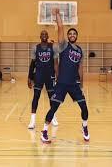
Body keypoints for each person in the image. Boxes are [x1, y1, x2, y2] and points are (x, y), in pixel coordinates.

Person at [40, 8, 90, 143]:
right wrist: (57, 14)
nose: (72, 35)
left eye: (74, 33)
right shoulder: (63, 46)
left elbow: (80, 67)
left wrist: (82, 84)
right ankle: (44, 131)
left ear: (77, 36)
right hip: (61, 83)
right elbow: (61, 27)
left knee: (84, 108)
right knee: (54, 107)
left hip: (74, 84)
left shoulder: (80, 50)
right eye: (70, 33)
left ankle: (85, 127)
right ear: (68, 37)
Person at [27, 30, 59, 129]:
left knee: (51, 97)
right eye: (42, 34)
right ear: (40, 36)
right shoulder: (35, 48)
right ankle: (32, 121)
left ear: (47, 36)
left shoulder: (53, 47)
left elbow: (55, 63)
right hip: (39, 75)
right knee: (36, 96)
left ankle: (53, 116)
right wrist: (30, 77)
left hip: (50, 75)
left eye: (46, 34)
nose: (44, 36)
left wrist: (58, 76)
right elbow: (32, 64)